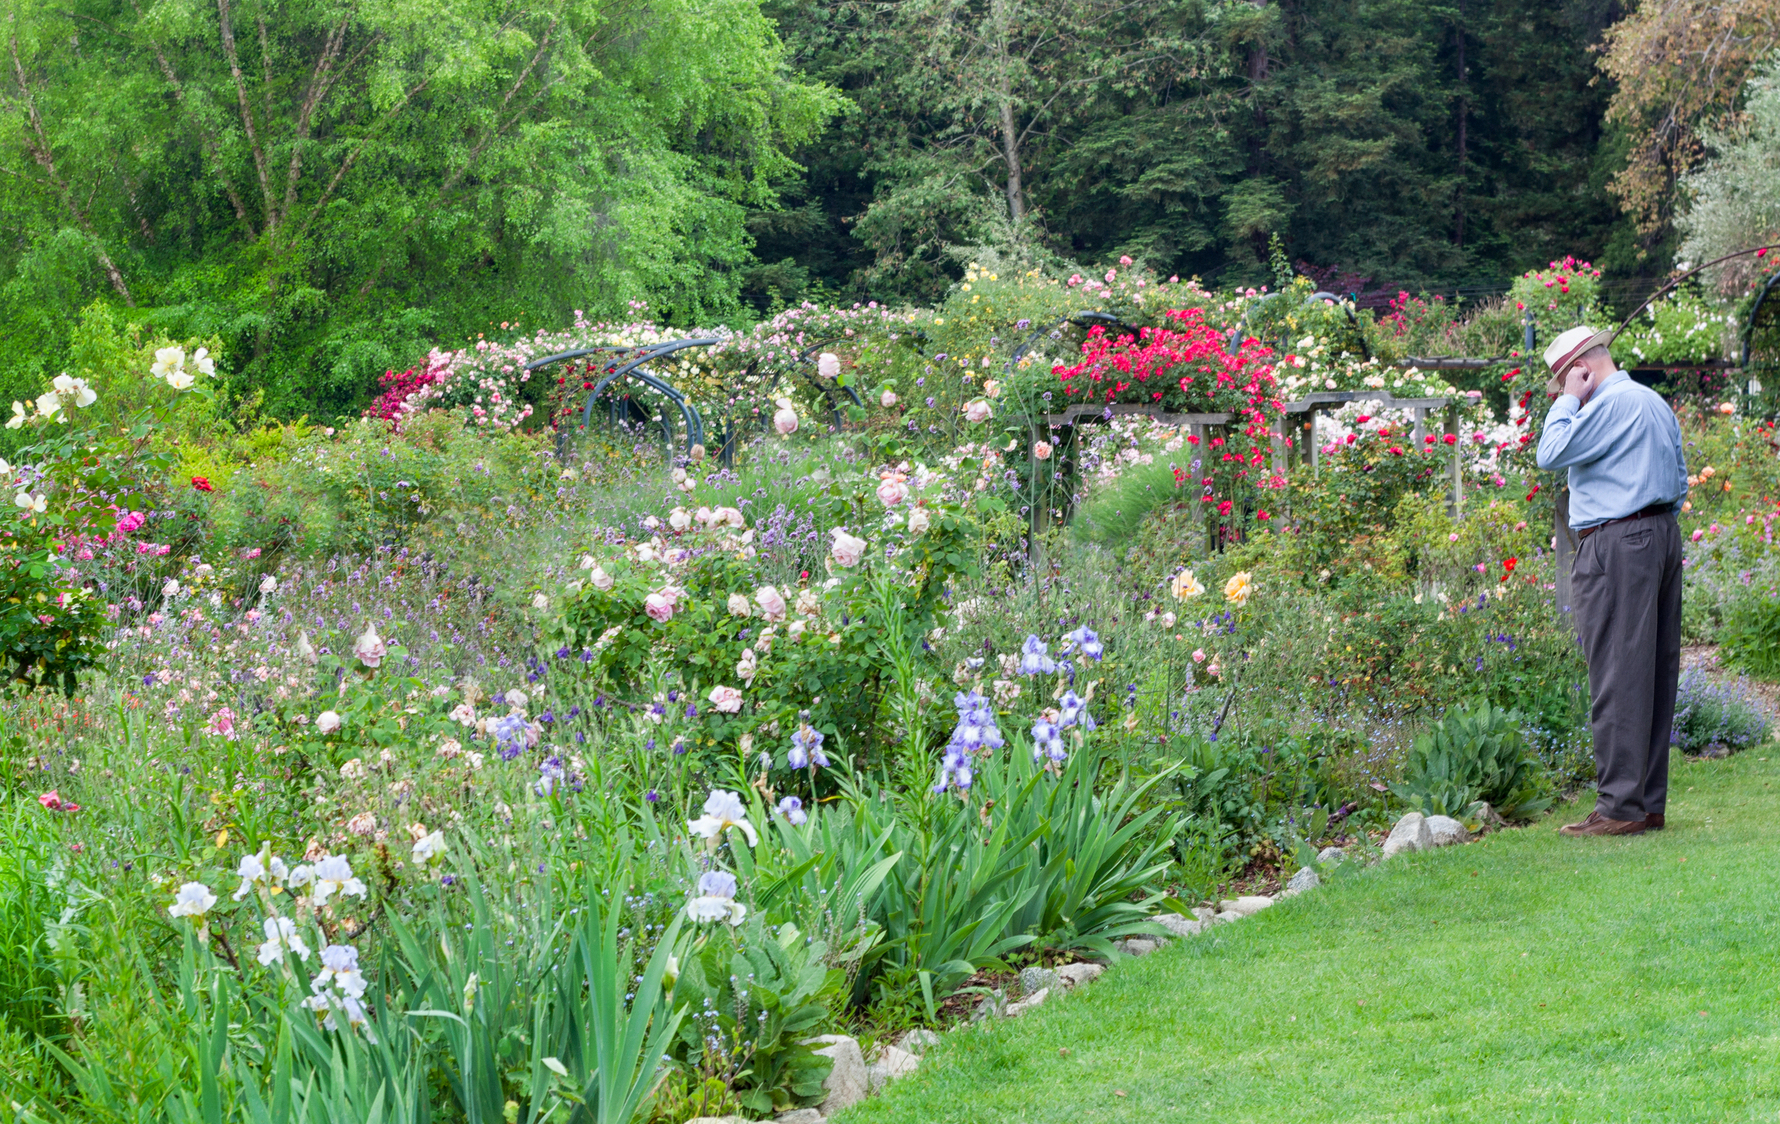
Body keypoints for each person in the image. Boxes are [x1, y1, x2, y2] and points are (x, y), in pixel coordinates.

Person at [1534, 325, 1688, 838]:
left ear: (1582, 367)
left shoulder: (1605, 405)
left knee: (1618, 673)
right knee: (1654, 671)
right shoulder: (1652, 402)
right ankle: (1647, 803)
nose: (1559, 393)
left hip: (1617, 543)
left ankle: (1620, 808)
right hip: (1662, 533)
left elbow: (1550, 454)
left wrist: (1569, 403)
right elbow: (1681, 476)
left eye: (1562, 381)